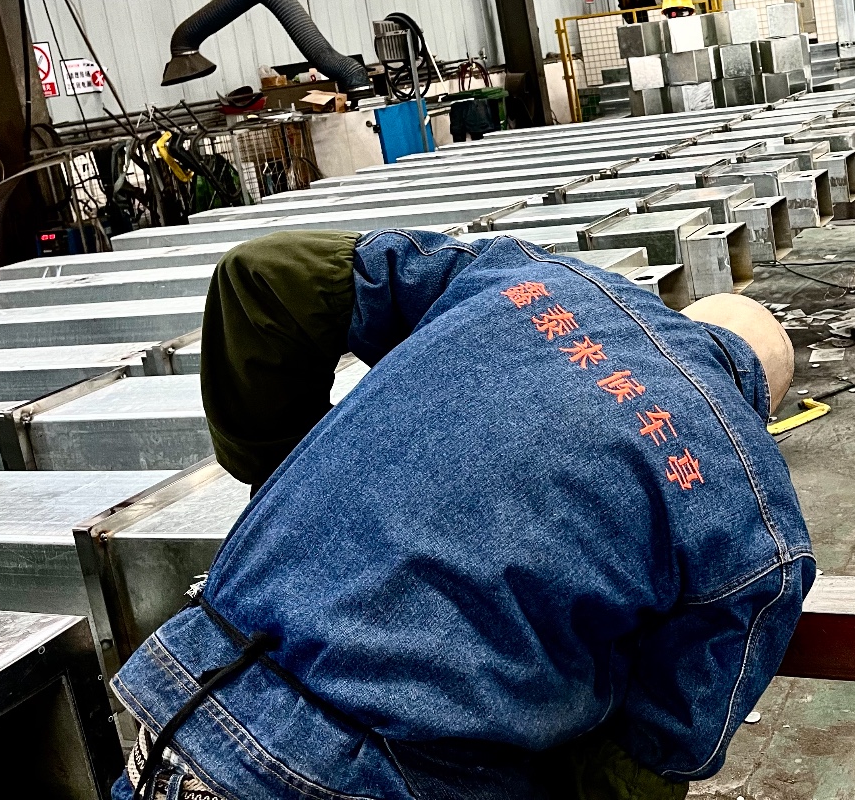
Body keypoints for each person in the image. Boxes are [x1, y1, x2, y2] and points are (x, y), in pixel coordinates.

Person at [112, 228, 812, 800]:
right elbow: (647, 759)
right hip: (385, 779)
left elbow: (262, 274)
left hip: (188, 704)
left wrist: (280, 475)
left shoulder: (526, 278)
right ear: (762, 406)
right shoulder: (756, 511)